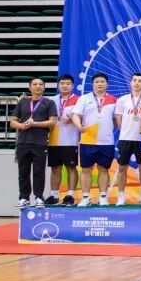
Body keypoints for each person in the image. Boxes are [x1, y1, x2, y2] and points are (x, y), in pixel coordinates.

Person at [71, 72, 117, 207]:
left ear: (107, 84)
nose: (100, 84)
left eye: (102, 82)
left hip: (106, 141)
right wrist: (79, 126)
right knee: (86, 170)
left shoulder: (114, 100)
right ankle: (85, 198)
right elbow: (75, 115)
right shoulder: (84, 99)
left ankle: (103, 197)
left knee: (104, 169)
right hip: (88, 141)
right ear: (92, 84)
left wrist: (108, 128)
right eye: (97, 82)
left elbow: (116, 119)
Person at [11, 77, 58, 208]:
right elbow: (13, 121)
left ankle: (38, 197)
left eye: (40, 84)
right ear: (30, 87)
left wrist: (34, 123)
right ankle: (24, 197)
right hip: (23, 142)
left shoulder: (49, 103)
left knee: (39, 171)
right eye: (35, 84)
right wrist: (22, 126)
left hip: (40, 142)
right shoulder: (22, 102)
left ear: (44, 87)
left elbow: (52, 122)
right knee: (23, 172)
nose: (38, 86)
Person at [113, 72, 141, 206]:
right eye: (134, 80)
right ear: (131, 83)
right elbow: (118, 116)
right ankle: (121, 196)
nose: (137, 83)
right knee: (122, 167)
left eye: (140, 81)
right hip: (125, 138)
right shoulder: (122, 99)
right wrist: (123, 129)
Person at [47, 74, 80, 206]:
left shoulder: (79, 100)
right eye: (62, 83)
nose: (65, 86)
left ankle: (70, 195)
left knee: (71, 168)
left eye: (68, 83)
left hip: (70, 140)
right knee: (55, 168)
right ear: (58, 85)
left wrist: (72, 119)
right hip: (53, 140)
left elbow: (85, 117)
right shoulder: (51, 100)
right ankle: (54, 195)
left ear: (72, 85)